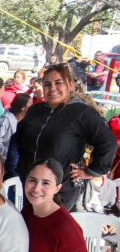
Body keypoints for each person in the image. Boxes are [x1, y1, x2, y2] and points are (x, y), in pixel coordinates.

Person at [13, 64, 117, 209]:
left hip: (61, 190)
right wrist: (21, 167)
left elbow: (108, 142)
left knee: (50, 228)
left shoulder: (81, 112)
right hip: (31, 186)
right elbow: (19, 138)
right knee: (30, 226)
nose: (52, 88)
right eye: (47, 84)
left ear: (70, 84)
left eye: (58, 83)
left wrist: (91, 171)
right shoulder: (35, 111)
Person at [0, 93, 31, 161]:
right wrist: (8, 152)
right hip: (4, 160)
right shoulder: (5, 120)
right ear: (23, 107)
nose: (32, 106)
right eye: (30, 104)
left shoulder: (28, 120)